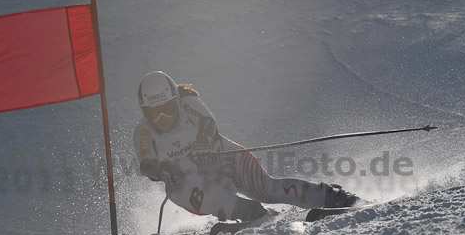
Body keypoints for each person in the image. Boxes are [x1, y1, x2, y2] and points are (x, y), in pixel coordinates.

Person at [133, 71, 360, 223]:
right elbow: (146, 165)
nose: (162, 117)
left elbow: (208, 123)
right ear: (145, 112)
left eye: (168, 109)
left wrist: (204, 140)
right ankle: (253, 214)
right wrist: (161, 171)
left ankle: (331, 197)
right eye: (154, 112)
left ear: (176, 102)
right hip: (187, 181)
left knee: (267, 188)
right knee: (186, 189)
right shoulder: (143, 132)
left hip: (221, 160)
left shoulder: (188, 103)